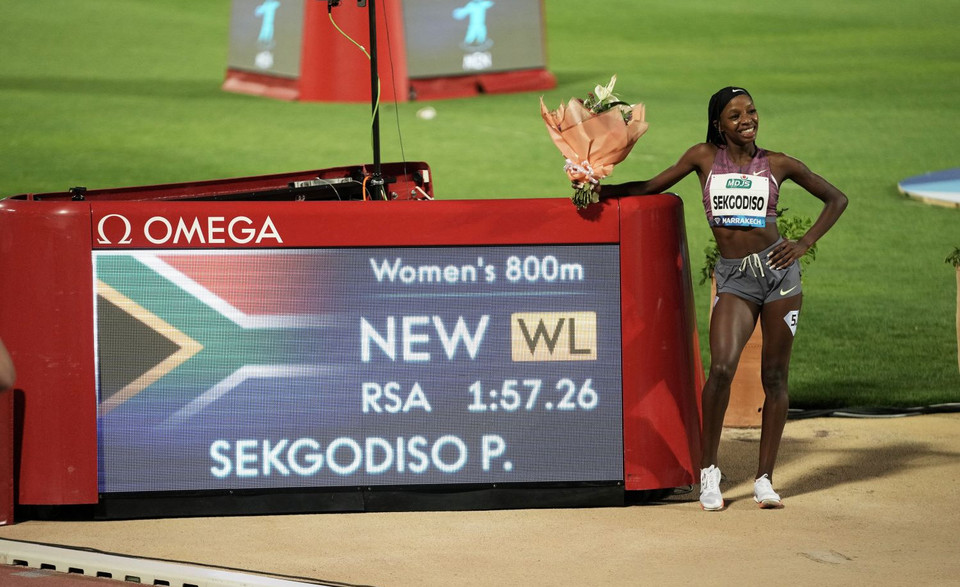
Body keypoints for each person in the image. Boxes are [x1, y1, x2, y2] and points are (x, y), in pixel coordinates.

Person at [598, 87, 848, 510]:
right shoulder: (702, 157)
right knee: (722, 369)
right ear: (719, 124)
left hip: (780, 278)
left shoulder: (779, 164)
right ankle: (709, 471)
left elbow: (836, 199)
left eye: (751, 111)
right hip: (735, 280)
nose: (746, 119)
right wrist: (599, 190)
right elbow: (652, 185)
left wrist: (803, 243)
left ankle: (764, 479)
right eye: (735, 115)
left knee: (775, 377)